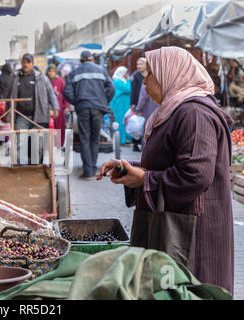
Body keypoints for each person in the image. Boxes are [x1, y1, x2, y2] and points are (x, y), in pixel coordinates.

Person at [97, 46, 234, 295]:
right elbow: (171, 163)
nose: (144, 83)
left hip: (194, 231)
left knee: (191, 290)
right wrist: (131, 170)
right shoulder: (174, 111)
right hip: (180, 222)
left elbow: (195, 174)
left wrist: (146, 179)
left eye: (149, 75)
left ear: (169, 75)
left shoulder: (194, 113)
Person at [63, 51, 115, 180]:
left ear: (81, 60)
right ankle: (92, 167)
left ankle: (88, 171)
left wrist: (77, 102)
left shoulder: (75, 72)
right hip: (98, 108)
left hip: (83, 108)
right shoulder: (101, 70)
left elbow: (67, 92)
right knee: (95, 138)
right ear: (91, 59)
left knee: (85, 138)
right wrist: (103, 101)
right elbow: (111, 89)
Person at [9, 53, 59, 164]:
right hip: (21, 116)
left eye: (28, 62)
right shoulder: (15, 77)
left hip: (39, 117)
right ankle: (22, 171)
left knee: (37, 145)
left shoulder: (41, 77)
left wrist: (55, 107)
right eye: (23, 62)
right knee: (20, 144)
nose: (25, 64)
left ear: (32, 64)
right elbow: (9, 94)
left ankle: (36, 169)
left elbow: (51, 93)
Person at [46, 64, 70, 146]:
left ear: (55, 72)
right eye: (49, 71)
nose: (50, 73)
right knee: (50, 127)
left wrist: (66, 106)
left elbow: (65, 94)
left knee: (60, 127)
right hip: (48, 109)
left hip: (59, 108)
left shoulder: (60, 81)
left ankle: (59, 144)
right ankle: (50, 144)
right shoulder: (46, 81)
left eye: (52, 71)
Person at [129, 57, 148, 151]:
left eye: (141, 64)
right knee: (137, 123)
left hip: (148, 102)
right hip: (137, 101)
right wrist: (132, 103)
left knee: (146, 122)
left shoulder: (149, 75)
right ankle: (135, 144)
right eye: (138, 64)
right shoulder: (135, 75)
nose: (139, 66)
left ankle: (145, 142)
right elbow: (133, 90)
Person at [110, 66, 131, 145]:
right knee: (120, 120)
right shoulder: (118, 81)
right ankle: (121, 140)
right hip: (119, 104)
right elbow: (128, 89)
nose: (127, 74)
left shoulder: (119, 80)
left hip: (123, 103)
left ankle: (125, 139)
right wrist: (128, 80)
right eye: (126, 73)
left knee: (124, 120)